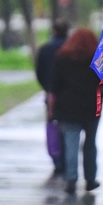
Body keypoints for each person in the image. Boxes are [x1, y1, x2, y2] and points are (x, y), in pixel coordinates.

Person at [51, 27, 103, 194]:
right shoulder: (97, 59)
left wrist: (53, 104)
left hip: (68, 107)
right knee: (90, 143)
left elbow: (55, 85)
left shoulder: (62, 58)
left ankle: (71, 180)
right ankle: (90, 179)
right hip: (92, 107)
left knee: (70, 143)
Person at [35, 18, 69, 177]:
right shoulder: (71, 48)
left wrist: (47, 88)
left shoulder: (45, 49)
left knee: (52, 125)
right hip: (68, 93)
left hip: (51, 94)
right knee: (67, 127)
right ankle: (68, 158)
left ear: (53, 31)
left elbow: (39, 72)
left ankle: (57, 160)